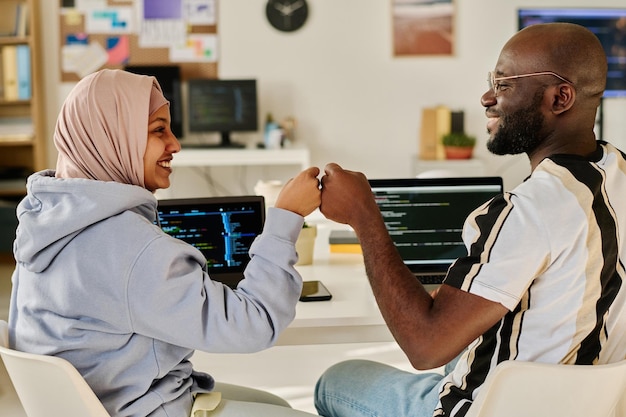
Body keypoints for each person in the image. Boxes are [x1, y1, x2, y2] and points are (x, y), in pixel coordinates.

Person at [314, 22, 626, 417]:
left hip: (489, 409)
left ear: (560, 98)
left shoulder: (528, 210)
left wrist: (364, 215)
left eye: (504, 85)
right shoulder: (617, 174)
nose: (486, 97)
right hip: (586, 402)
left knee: (337, 379)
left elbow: (425, 347)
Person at [8, 69, 320, 417]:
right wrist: (286, 217)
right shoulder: (127, 246)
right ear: (114, 136)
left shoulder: (43, 220)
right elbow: (254, 325)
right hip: (145, 409)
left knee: (275, 405)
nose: (175, 144)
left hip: (101, 402)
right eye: (159, 130)